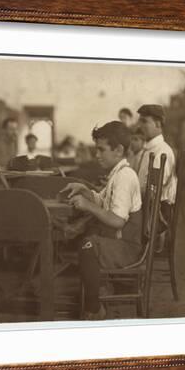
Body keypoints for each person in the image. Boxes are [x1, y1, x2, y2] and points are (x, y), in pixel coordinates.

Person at [60, 121, 142, 320]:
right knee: (87, 236)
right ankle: (98, 287)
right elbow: (102, 200)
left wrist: (88, 206)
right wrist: (85, 190)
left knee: (88, 245)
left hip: (127, 246)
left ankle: (94, 308)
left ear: (118, 150)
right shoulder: (117, 173)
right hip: (118, 239)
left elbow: (117, 220)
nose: (96, 155)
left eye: (101, 149)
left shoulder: (125, 176)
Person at [136, 104, 178, 252]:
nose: (140, 125)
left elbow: (153, 192)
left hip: (156, 214)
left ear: (158, 123)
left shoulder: (161, 152)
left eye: (144, 121)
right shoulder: (148, 150)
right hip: (148, 207)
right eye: (139, 121)